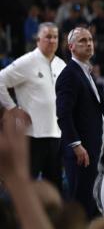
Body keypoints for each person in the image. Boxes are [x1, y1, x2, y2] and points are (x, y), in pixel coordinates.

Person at [0, 22, 67, 189]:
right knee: (26, 186)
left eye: (55, 37)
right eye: (48, 37)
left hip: (55, 136)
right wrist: (13, 109)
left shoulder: (61, 65)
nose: (52, 40)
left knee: (55, 189)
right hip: (31, 136)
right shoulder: (27, 61)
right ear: (38, 40)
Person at [55, 27, 104, 217]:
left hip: (94, 148)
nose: (88, 43)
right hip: (81, 153)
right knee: (81, 204)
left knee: (93, 203)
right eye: (82, 41)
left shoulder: (86, 73)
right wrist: (76, 145)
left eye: (90, 40)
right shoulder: (69, 74)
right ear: (71, 47)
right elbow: (63, 114)